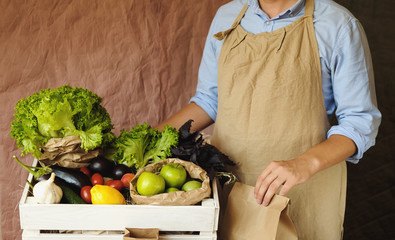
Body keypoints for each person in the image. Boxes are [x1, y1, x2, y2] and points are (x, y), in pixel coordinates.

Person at [156, 0, 381, 239]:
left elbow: (359, 122)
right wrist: (148, 139)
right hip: (230, 183)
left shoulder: (338, 23)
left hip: (302, 191)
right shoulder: (228, 15)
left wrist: (306, 163)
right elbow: (209, 100)